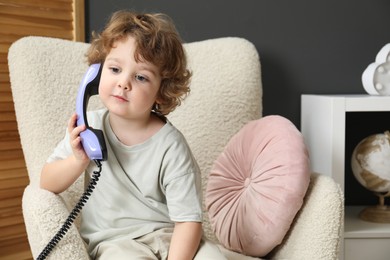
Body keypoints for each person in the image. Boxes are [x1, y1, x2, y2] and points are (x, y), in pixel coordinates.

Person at [40, 10, 227, 260]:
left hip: (171, 237)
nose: (124, 83)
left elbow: (188, 222)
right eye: (115, 69)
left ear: (162, 91)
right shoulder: (89, 128)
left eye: (140, 77)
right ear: (95, 75)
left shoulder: (172, 146)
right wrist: (77, 160)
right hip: (117, 244)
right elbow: (46, 182)